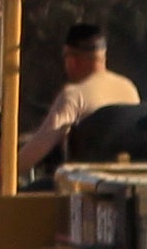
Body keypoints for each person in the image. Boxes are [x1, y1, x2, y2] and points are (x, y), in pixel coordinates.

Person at [24, 23, 139, 172]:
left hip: (84, 186)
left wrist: (3, 174)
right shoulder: (129, 88)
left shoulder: (74, 96)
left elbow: (39, 147)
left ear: (72, 59)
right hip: (126, 182)